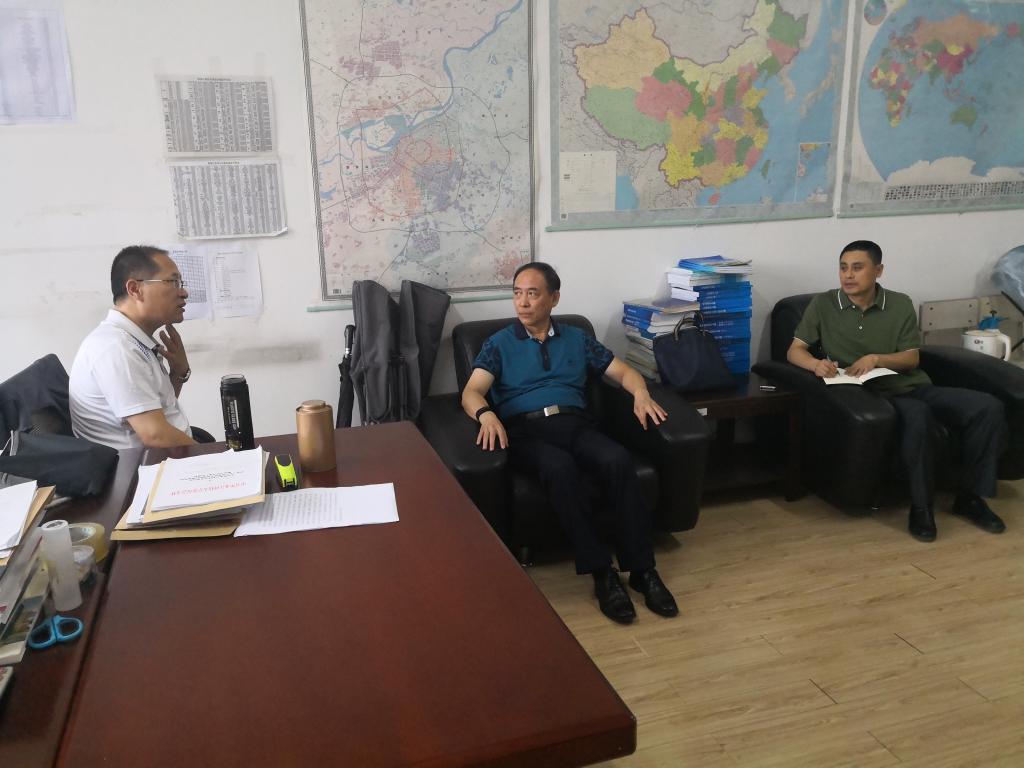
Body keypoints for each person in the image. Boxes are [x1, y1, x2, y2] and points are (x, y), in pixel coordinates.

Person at [461, 261, 678, 624]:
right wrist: (485, 414)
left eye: (532, 293)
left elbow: (624, 372)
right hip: (526, 431)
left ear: (554, 298)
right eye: (517, 293)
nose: (522, 302)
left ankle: (643, 570)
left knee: (617, 459)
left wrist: (641, 394)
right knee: (559, 468)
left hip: (575, 424)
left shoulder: (577, 339)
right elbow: (472, 391)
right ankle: (602, 573)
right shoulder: (499, 344)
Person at [787, 240, 1006, 542]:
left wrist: (877, 359)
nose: (848, 275)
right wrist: (815, 365)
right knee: (918, 415)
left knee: (988, 407)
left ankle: (970, 498)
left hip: (912, 385)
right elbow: (794, 350)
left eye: (857, 267)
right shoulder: (824, 304)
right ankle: (921, 508)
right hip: (870, 395)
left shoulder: (899, 303)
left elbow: (911, 358)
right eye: (843, 268)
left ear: (878, 270)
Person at [70, 245, 196, 450]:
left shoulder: (133, 340)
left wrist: (178, 373)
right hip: (140, 466)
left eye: (180, 283)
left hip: (162, 455)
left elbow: (160, 408)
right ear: (135, 289)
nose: (184, 292)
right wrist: (216, 458)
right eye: (173, 282)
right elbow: (155, 436)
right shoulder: (116, 348)